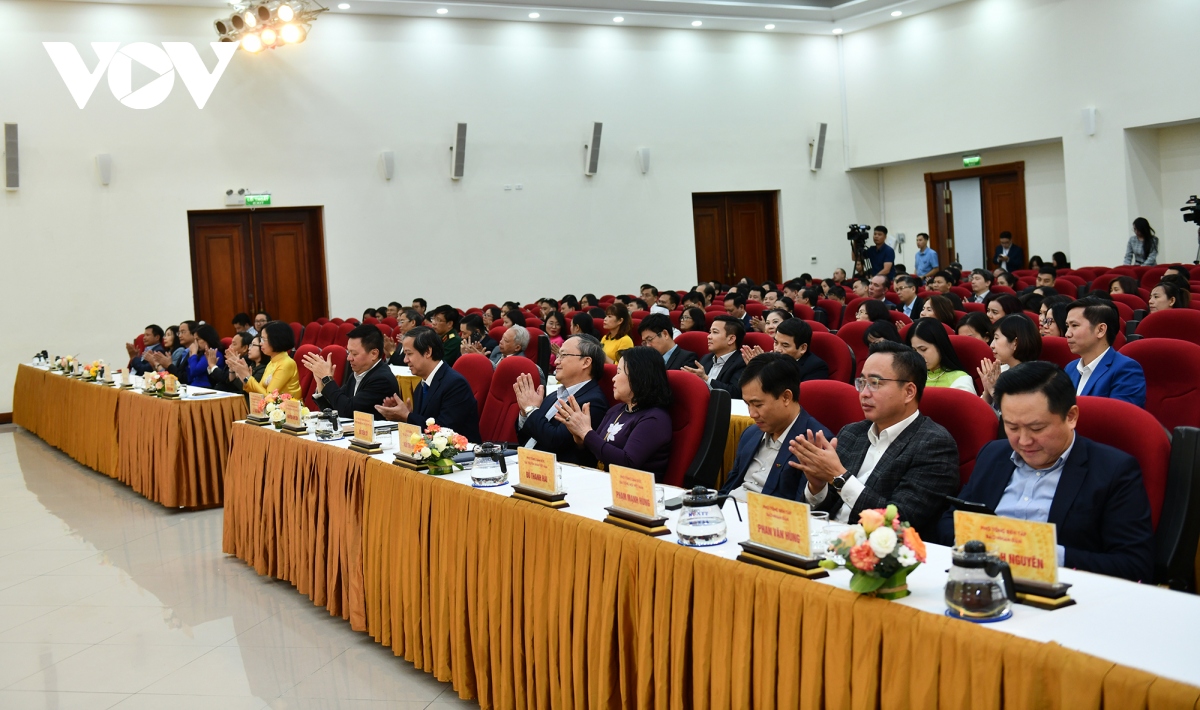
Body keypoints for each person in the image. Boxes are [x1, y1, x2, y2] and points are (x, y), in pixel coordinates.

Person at [937, 362, 1153, 582]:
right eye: (1012, 427)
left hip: (1062, 589)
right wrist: (980, 544)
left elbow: (1134, 564)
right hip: (981, 579)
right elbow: (950, 521)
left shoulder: (1114, 470)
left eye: (1037, 428)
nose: (1023, 441)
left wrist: (1042, 554)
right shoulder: (993, 455)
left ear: (1071, 417)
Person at [789, 341, 959, 536]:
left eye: (875, 383)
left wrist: (839, 477)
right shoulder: (852, 433)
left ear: (909, 392)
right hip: (825, 538)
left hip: (878, 550)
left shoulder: (934, 445)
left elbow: (901, 522)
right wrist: (817, 487)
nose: (864, 393)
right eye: (862, 382)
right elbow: (825, 510)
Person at [720, 354, 835, 501]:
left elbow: (804, 507)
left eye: (758, 405)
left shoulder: (814, 444)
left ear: (786, 397)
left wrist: (816, 488)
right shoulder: (750, 434)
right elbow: (728, 488)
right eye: (748, 404)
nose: (752, 414)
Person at [555, 346, 672, 478]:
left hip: (633, 488)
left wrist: (586, 432)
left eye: (619, 372)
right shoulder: (616, 410)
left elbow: (627, 464)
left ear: (638, 375)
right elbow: (593, 461)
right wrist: (580, 441)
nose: (613, 379)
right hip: (600, 483)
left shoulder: (655, 419)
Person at [513, 334, 610, 468]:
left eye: (563, 355)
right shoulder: (555, 395)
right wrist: (525, 413)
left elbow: (555, 441)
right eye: (558, 355)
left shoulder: (592, 402)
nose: (556, 362)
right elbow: (527, 437)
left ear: (586, 362)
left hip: (553, 470)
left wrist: (531, 409)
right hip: (524, 460)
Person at [376, 326, 480, 442]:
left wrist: (407, 416)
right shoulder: (421, 385)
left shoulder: (455, 384)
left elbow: (445, 431)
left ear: (427, 352)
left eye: (409, 354)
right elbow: (424, 423)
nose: (405, 360)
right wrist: (406, 416)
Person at [302, 324, 401, 420]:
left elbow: (347, 411)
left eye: (354, 354)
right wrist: (321, 385)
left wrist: (327, 379)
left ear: (374, 354)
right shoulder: (358, 373)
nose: (349, 358)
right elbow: (334, 409)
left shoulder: (382, 379)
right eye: (348, 352)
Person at [1064, 299, 1146, 407]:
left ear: (1101, 330)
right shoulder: (1070, 368)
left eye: (1074, 325)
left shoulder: (1126, 370)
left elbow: (1120, 415)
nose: (1067, 334)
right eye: (1067, 326)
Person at [978, 314, 1041, 408]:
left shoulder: (1038, 379)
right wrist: (987, 392)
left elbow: (1019, 414)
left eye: (996, 338)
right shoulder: (1001, 371)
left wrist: (994, 392)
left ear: (1015, 343)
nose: (991, 345)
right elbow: (981, 413)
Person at [229, 321, 300, 399]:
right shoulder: (272, 362)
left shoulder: (286, 363)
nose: (260, 343)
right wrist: (244, 378)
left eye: (263, 339)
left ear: (275, 340)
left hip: (288, 406)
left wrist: (247, 377)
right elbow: (259, 391)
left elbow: (269, 396)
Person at [682, 315, 747, 400]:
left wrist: (705, 378)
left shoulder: (743, 362)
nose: (708, 336)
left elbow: (735, 393)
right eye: (710, 332)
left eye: (715, 332)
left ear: (731, 339)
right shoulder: (706, 358)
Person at [907, 317, 975, 393]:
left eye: (923, 349)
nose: (918, 356)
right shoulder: (911, 376)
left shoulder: (960, 380)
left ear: (939, 346)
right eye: (914, 350)